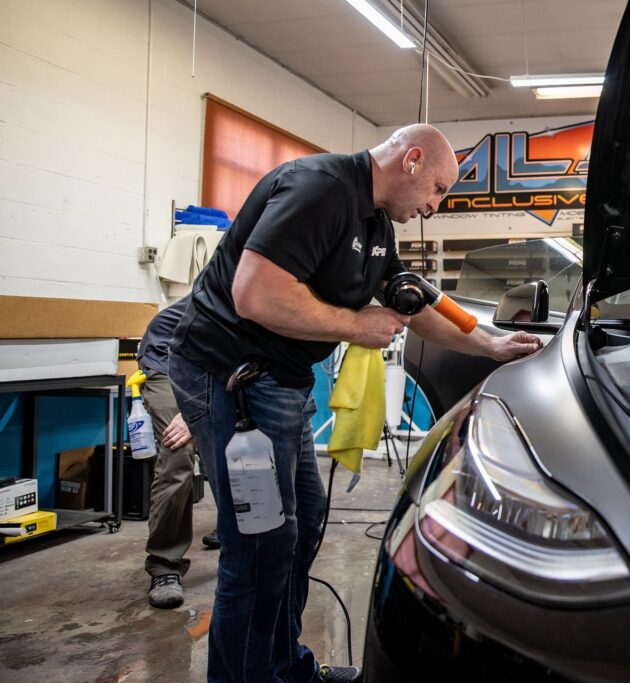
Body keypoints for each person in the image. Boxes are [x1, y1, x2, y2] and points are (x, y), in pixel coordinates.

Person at [168, 124, 542, 683]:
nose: (435, 206)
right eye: (438, 189)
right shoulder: (319, 188)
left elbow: (413, 305)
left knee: (301, 526)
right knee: (260, 545)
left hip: (280, 381)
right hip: (229, 376)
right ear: (412, 160)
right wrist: (353, 325)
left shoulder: (376, 223)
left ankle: (283, 669)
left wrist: (490, 346)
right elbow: (255, 293)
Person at [136, 294, 219, 609]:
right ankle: (164, 565)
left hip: (214, 363)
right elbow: (217, 346)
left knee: (241, 443)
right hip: (169, 358)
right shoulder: (247, 283)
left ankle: (236, 532)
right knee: (179, 448)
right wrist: (190, 412)